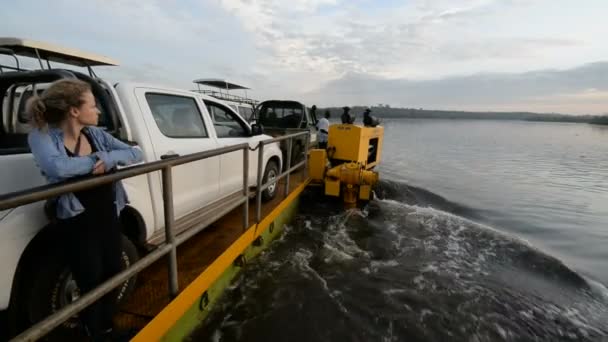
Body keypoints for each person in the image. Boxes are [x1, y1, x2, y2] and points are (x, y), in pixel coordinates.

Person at [27, 79, 143, 341]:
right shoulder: (41, 136)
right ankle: (95, 332)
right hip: (76, 218)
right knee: (89, 277)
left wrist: (110, 158)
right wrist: (97, 161)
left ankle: (105, 326)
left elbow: (137, 153)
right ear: (74, 111)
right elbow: (58, 168)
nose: (98, 111)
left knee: (114, 270)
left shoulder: (96, 134)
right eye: (93, 105)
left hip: (108, 212)